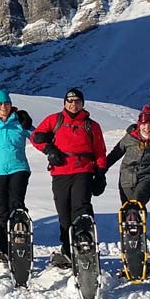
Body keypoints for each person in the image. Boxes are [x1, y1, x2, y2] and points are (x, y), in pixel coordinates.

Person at [30, 88, 107, 268]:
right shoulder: (54, 120)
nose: (73, 104)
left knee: (81, 208)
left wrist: (101, 173)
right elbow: (35, 137)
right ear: (65, 102)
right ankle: (68, 249)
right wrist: (49, 150)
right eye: (70, 101)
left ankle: (85, 244)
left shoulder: (91, 125)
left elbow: (100, 151)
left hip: (84, 169)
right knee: (63, 212)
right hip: (60, 171)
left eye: (77, 101)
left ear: (83, 103)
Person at [0, 89, 32, 263]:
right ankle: (5, 250)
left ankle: (21, 243)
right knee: (2, 211)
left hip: (19, 168)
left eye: (6, 103)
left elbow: (36, 138)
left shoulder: (19, 122)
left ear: (11, 105)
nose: (3, 106)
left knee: (17, 206)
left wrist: (29, 125)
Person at [106, 104, 150, 207]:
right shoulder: (130, 138)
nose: (147, 128)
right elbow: (115, 154)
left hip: (147, 178)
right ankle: (130, 221)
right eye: (144, 124)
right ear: (139, 124)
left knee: (136, 203)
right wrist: (101, 171)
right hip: (126, 178)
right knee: (127, 207)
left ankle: (136, 219)